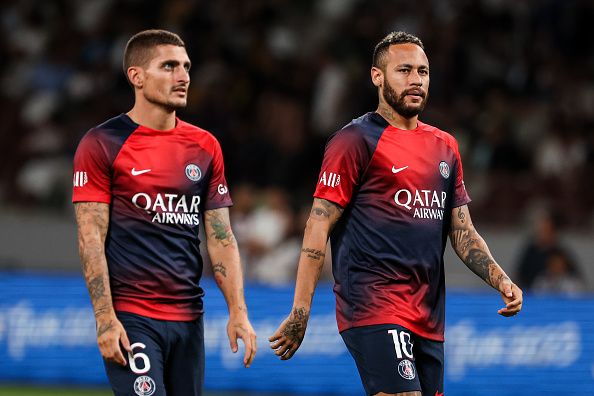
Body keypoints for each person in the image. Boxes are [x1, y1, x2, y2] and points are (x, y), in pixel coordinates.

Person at [269, 31, 523, 396]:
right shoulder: (354, 141)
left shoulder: (445, 146)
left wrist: (501, 280)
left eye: (423, 71)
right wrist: (300, 311)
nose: (416, 80)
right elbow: (317, 224)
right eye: (404, 70)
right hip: (373, 303)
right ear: (377, 76)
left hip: (429, 315)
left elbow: (462, 230)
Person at [72, 29, 256, 396]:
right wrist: (105, 318)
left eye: (186, 67)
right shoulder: (102, 143)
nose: (183, 76)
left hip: (189, 320)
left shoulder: (205, 146)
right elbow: (90, 237)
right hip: (133, 317)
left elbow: (221, 237)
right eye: (169, 66)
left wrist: (239, 310)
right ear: (136, 76)